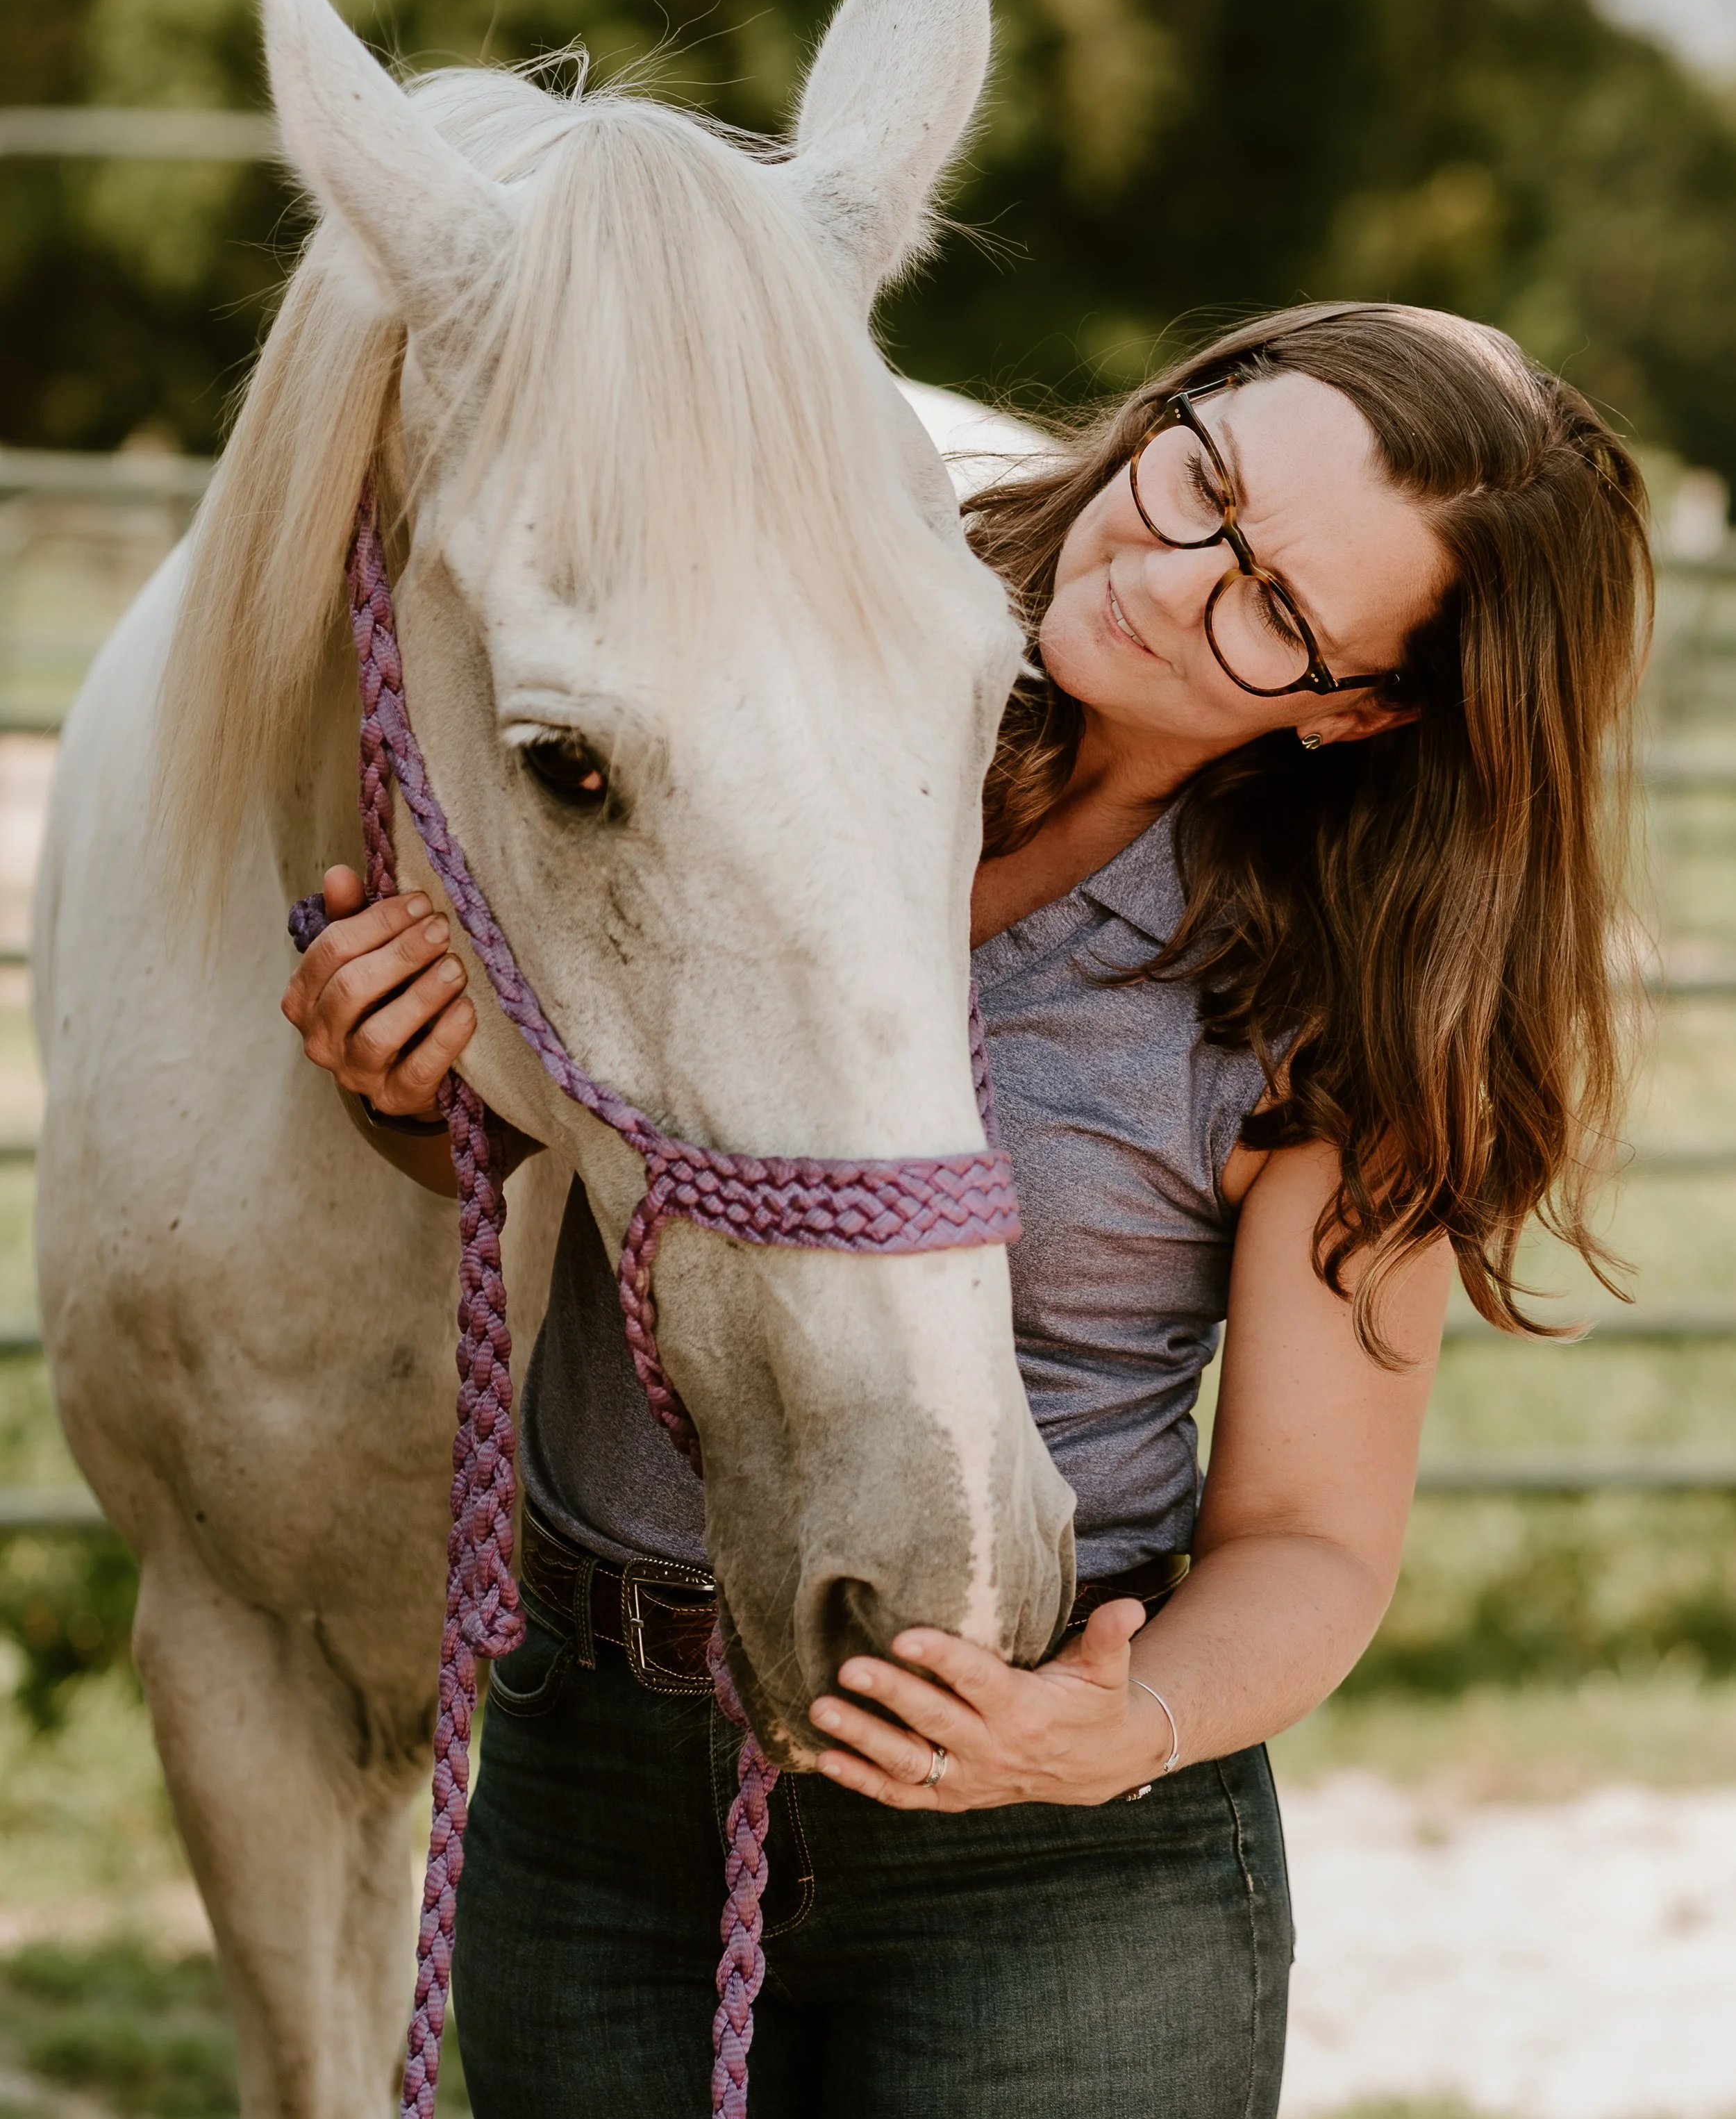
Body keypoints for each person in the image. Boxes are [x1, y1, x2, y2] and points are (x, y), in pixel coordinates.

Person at [283, 301, 1649, 2118]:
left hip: (1048, 1861)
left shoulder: (1343, 992)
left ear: (1359, 708)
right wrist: (407, 1081)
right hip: (592, 1774)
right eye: (1199, 481)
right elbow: (573, 1124)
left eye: (1271, 609)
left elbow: (1315, 1535)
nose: (1166, 576)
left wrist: (1124, 1728)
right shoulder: (774, 667)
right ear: (1172, 407)